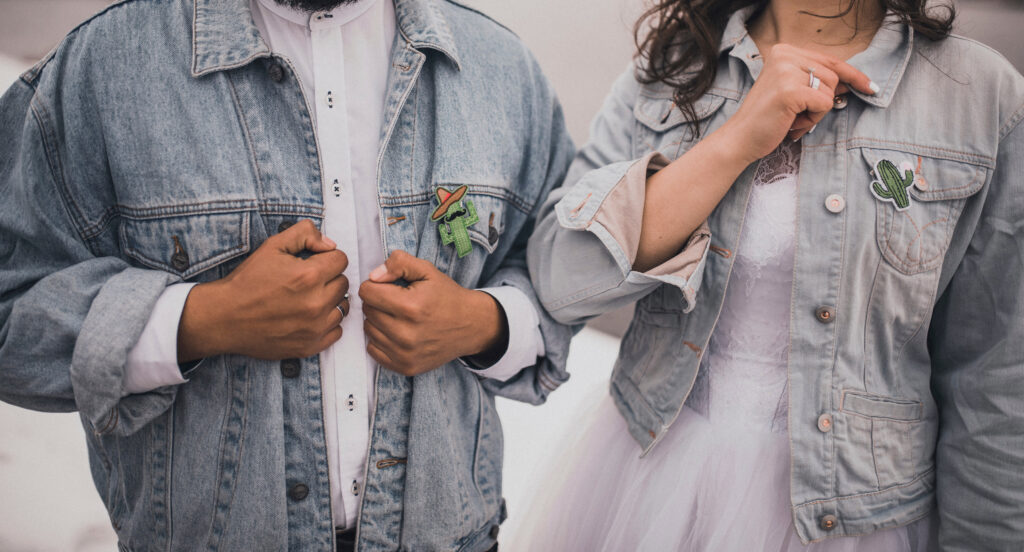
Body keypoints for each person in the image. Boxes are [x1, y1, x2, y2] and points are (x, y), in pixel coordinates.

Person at [0, 0, 575, 550]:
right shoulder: (102, 66)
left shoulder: (503, 69)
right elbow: (13, 310)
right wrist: (202, 320)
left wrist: (482, 323)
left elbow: (561, 273)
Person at [523, 0, 1024, 549]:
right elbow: (559, 280)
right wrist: (735, 141)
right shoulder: (675, 64)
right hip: (647, 484)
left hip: (859, 518)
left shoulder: (980, 95)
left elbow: (994, 380)